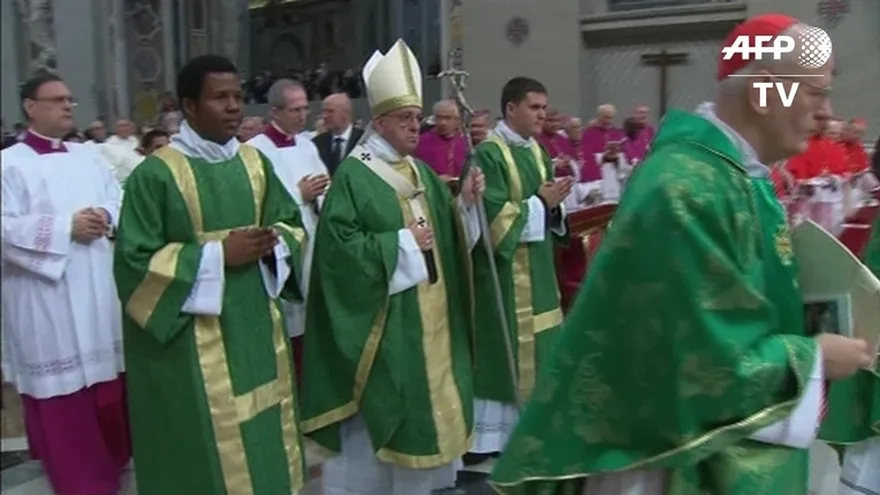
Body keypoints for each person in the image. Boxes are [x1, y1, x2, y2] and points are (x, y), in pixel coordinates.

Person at [488, 14, 873, 494]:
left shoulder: (738, 176)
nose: (826, 113)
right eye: (815, 93)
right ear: (765, 93)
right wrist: (812, 358)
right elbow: (691, 362)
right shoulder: (683, 188)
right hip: (670, 462)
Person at [113, 55, 309, 495]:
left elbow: (290, 223)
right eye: (220, 97)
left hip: (257, 327)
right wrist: (219, 255)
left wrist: (273, 241)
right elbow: (134, 264)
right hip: (191, 342)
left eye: (238, 96)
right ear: (190, 105)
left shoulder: (255, 165)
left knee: (264, 430)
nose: (234, 107)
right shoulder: (156, 174)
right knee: (207, 447)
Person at [300, 39, 485, 494]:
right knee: (382, 442)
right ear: (378, 122)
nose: (414, 127)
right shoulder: (354, 176)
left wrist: (464, 205)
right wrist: (401, 244)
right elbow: (337, 254)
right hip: (388, 327)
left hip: (434, 323)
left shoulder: (419, 172)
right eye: (404, 119)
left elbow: (447, 237)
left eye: (415, 118)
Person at [2, 72, 129, 495]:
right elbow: (3, 228)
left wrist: (106, 217)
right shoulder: (8, 164)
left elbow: (118, 197)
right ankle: (81, 478)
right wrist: (63, 229)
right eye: (57, 100)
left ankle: (114, 458)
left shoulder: (88, 156)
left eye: (71, 99)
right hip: (44, 294)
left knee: (106, 380)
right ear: (30, 107)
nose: (68, 106)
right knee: (63, 391)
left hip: (94, 282)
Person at [465, 76, 572, 462]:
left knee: (542, 344)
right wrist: (541, 204)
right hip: (505, 276)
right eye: (534, 107)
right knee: (501, 353)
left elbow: (545, 207)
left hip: (538, 270)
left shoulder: (538, 152)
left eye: (544, 108)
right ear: (511, 109)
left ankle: (531, 424)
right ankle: (488, 440)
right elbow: (490, 220)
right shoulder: (488, 155)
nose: (542, 115)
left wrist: (555, 205)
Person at [248, 78, 330, 382]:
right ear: (275, 112)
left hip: (314, 241)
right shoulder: (255, 151)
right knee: (289, 330)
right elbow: (257, 203)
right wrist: (299, 195)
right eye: (295, 109)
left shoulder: (308, 146)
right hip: (283, 250)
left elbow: (324, 186)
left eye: (305, 108)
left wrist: (321, 193)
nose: (302, 115)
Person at [414, 100, 468, 183]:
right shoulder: (421, 142)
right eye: (439, 117)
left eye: (448, 118)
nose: (443, 122)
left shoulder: (467, 142)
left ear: (458, 120)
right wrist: (435, 180)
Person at [313, 93, 364, 175]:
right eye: (323, 111)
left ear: (346, 113)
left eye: (330, 111)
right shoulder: (316, 143)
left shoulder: (364, 141)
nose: (324, 116)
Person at [100, 119, 142, 183]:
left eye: (127, 125)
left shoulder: (136, 141)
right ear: (116, 129)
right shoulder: (109, 144)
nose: (125, 128)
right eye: (121, 126)